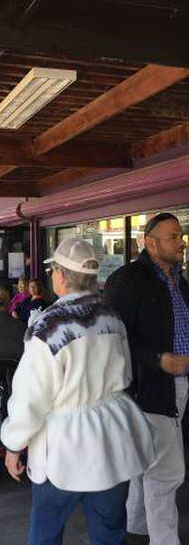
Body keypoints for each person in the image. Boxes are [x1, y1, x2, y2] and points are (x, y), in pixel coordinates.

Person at [1, 238, 154, 545]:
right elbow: (124, 375)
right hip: (112, 444)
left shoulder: (46, 328)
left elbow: (31, 400)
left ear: (60, 276)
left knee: (45, 534)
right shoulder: (112, 318)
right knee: (109, 533)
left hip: (63, 451)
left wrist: (13, 445)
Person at [103, 212, 189, 545]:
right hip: (146, 388)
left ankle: (137, 527)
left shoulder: (180, 282)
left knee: (147, 462)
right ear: (149, 242)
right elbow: (115, 337)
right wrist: (157, 359)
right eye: (173, 236)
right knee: (167, 473)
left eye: (181, 236)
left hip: (178, 386)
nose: (180, 242)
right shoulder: (127, 281)